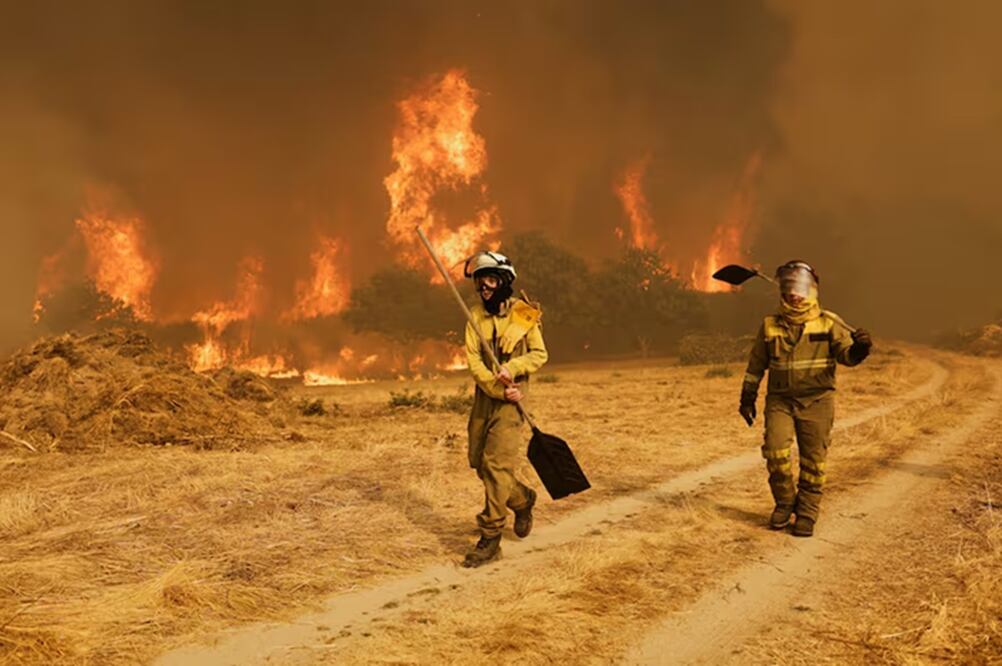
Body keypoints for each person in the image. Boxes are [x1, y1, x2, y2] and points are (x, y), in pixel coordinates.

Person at [739, 260, 873, 537]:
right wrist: (747, 397)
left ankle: (807, 511)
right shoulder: (769, 326)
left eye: (800, 289)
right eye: (789, 288)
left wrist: (860, 348)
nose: (794, 295)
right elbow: (755, 366)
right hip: (780, 402)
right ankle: (785, 502)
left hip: (817, 402)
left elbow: (847, 357)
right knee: (775, 453)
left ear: (812, 290)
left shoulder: (829, 322)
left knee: (813, 462)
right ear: (782, 290)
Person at [461, 250, 548, 567]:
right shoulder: (473, 317)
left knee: (496, 466)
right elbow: (473, 362)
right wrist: (496, 385)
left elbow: (540, 355)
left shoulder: (524, 315)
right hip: (487, 397)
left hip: (514, 402)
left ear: (504, 281)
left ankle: (490, 537)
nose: (485, 286)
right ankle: (522, 500)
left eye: (491, 279)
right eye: (480, 280)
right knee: (479, 463)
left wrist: (514, 368)